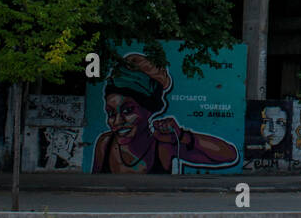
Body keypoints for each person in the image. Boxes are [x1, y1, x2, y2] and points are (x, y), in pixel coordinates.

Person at [92, 53, 238, 174]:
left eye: (128, 111)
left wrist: (181, 136)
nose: (117, 121)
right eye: (111, 113)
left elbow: (229, 155)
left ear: (149, 109)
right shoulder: (105, 144)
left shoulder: (163, 146)